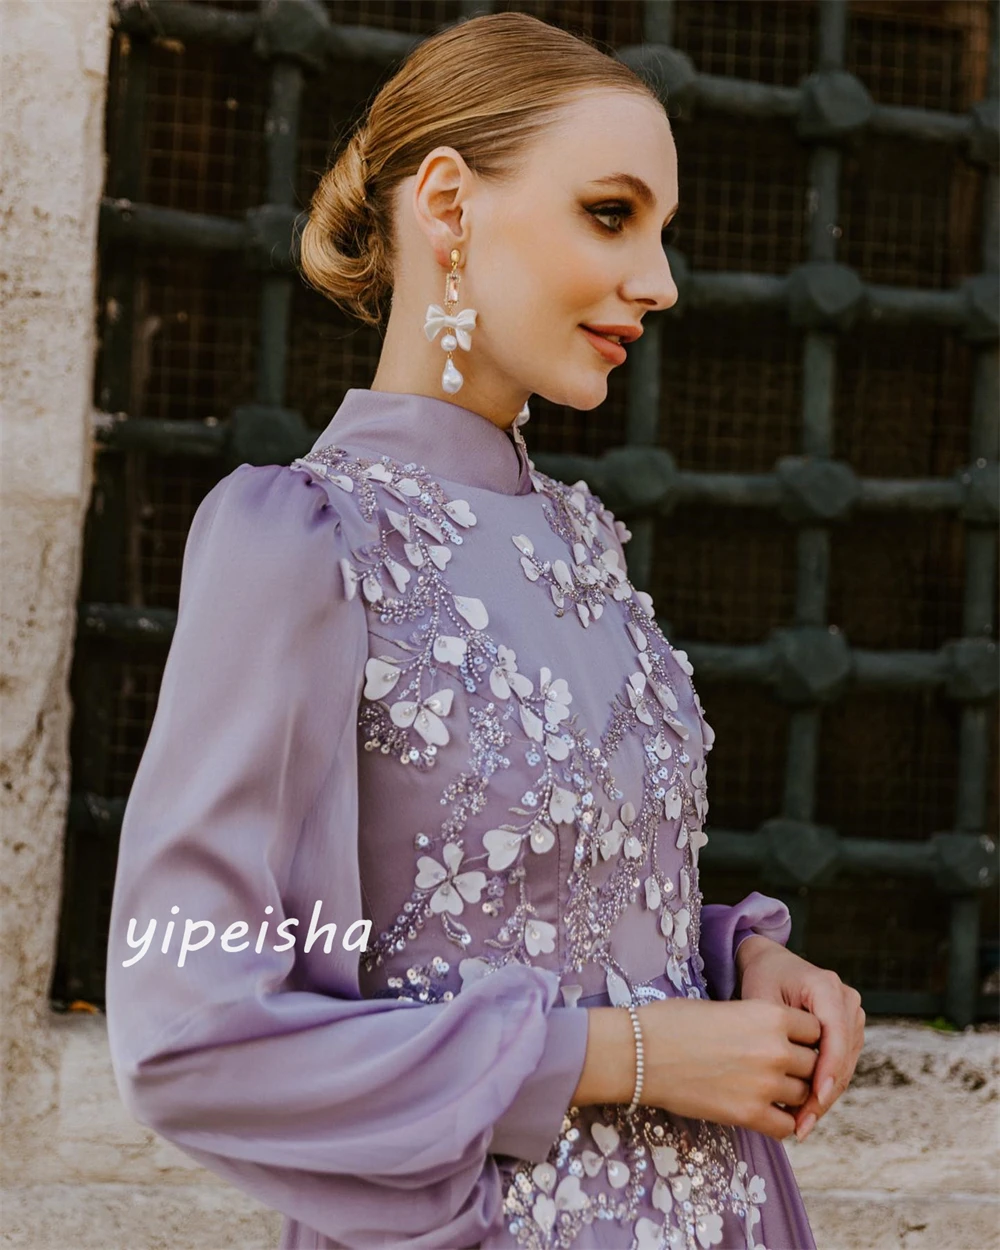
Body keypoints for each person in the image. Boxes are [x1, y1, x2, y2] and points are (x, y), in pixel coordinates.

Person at [105, 11, 865, 1249]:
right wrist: (624, 1055)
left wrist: (736, 967)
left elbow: (540, 899)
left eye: (659, 232)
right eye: (612, 214)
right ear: (447, 205)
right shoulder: (299, 541)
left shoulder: (582, 538)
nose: (659, 281)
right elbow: (189, 1036)